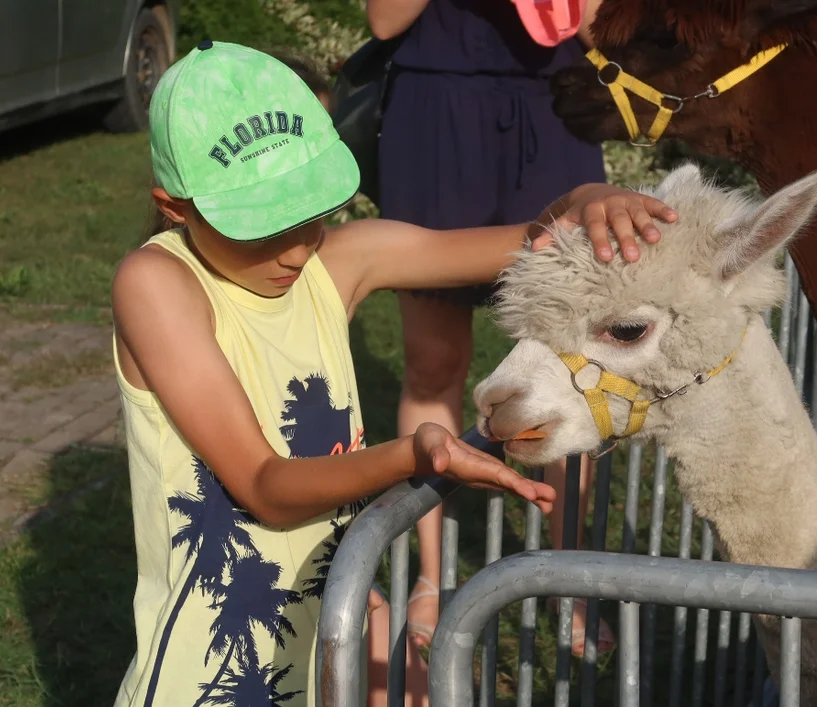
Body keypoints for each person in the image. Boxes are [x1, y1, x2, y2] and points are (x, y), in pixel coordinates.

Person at [110, 40, 674, 706]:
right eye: (261, 226)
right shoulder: (157, 284)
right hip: (210, 676)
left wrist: (590, 196)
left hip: (329, 642)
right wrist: (413, 453)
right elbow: (265, 485)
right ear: (176, 207)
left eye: (310, 214)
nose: (295, 248)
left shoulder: (338, 264)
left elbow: (541, 236)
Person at [365, 0, 616, 657]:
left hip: (555, 106)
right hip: (436, 108)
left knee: (567, 364)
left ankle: (569, 579)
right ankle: (430, 574)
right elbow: (384, 21)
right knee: (434, 360)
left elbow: (602, 32)